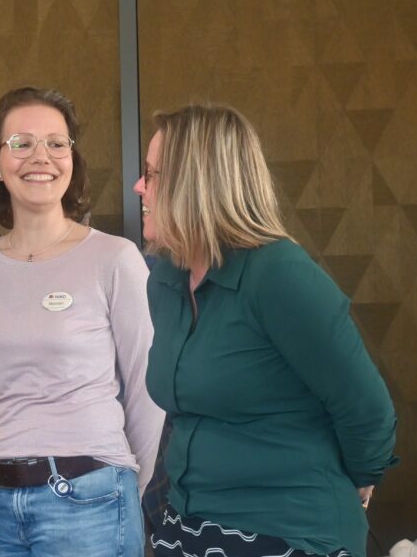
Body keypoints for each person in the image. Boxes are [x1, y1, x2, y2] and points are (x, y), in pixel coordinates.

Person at [133, 104, 398, 557]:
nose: (139, 186)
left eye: (152, 174)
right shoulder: (166, 279)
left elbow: (367, 409)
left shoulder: (278, 274)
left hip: (286, 531)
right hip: (187, 522)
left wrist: (357, 479)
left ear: (197, 185)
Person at [0, 87, 165, 557]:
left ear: (72, 159)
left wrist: (128, 486)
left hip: (92, 499)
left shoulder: (115, 258)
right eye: (21, 143)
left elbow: (148, 390)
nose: (40, 156)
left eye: (56, 143)